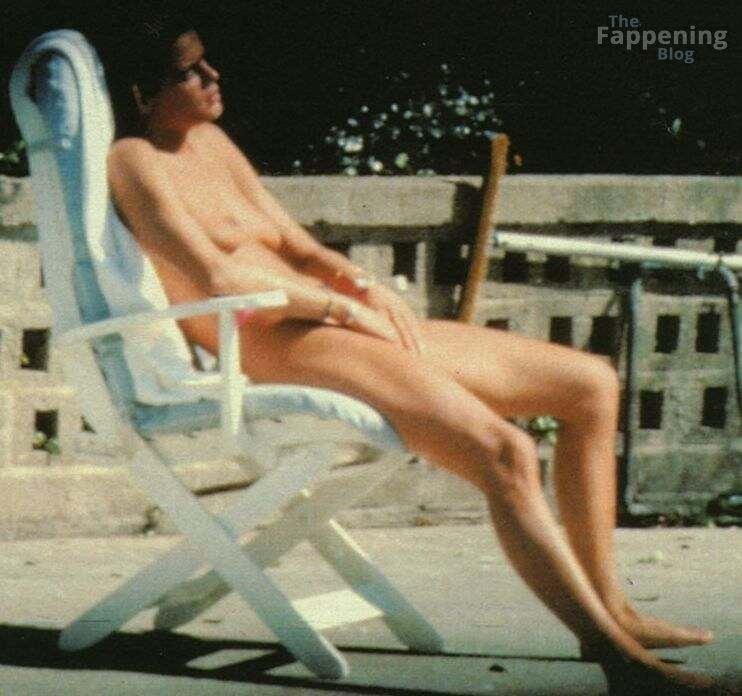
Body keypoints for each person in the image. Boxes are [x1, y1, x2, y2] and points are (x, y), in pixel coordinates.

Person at [106, 19, 732, 696]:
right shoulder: (134, 161)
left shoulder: (210, 141)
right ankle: (623, 666)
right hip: (276, 344)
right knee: (505, 452)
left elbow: (296, 245)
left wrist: (359, 284)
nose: (212, 77)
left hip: (333, 320)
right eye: (190, 71)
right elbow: (218, 279)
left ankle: (614, 612)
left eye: (208, 63)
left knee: (591, 384)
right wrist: (340, 309)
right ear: (143, 93)